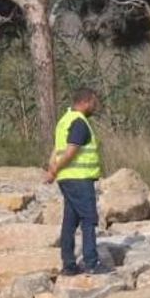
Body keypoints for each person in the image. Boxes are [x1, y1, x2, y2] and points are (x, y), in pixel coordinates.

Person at [43, 88, 110, 276]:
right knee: (89, 219)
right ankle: (91, 262)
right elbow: (71, 151)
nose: (95, 107)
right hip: (79, 178)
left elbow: (57, 149)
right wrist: (54, 171)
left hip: (67, 179)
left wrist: (53, 169)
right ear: (85, 102)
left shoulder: (65, 120)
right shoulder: (80, 122)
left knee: (70, 221)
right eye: (94, 103)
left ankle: (69, 265)